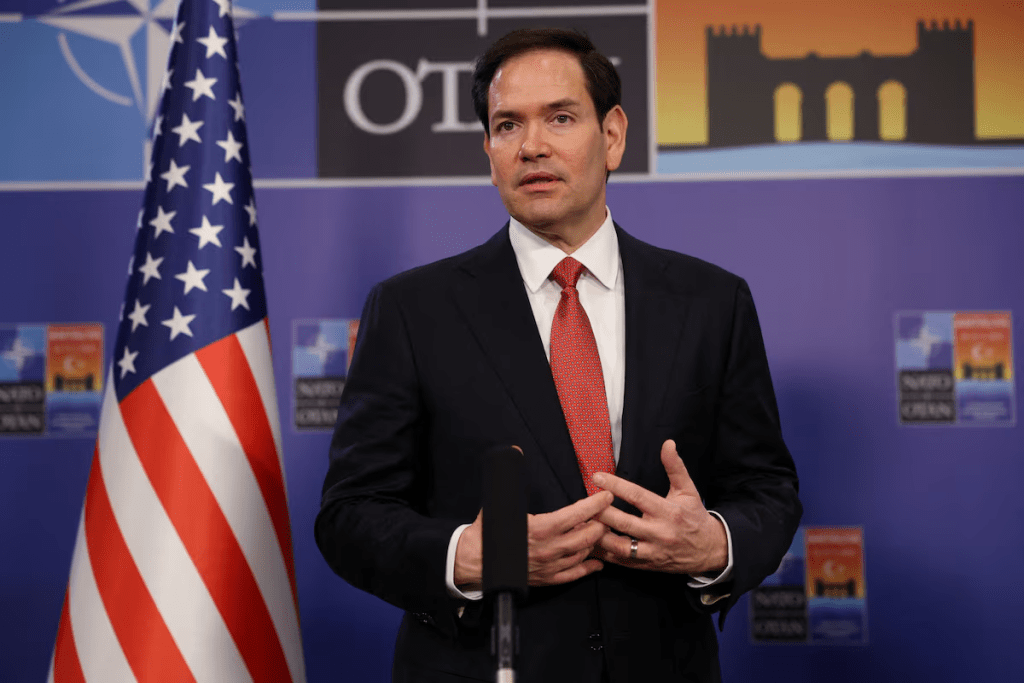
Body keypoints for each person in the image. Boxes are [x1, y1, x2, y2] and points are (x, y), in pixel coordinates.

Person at [316, 28, 801, 683]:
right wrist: (465, 555)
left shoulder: (711, 301)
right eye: (507, 124)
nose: (532, 145)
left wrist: (714, 542)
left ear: (613, 135)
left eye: (561, 117)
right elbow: (350, 515)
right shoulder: (411, 309)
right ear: (489, 152)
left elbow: (767, 489)